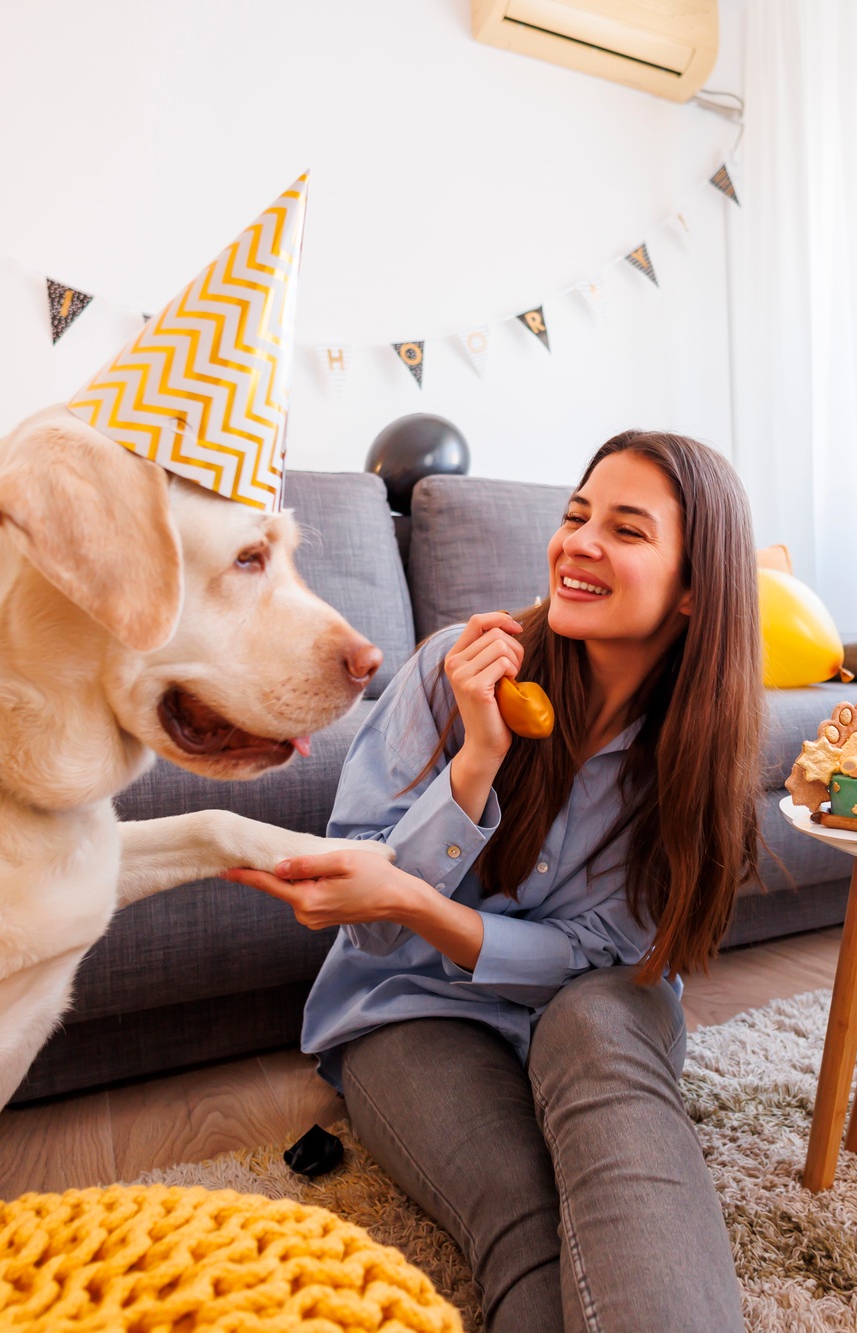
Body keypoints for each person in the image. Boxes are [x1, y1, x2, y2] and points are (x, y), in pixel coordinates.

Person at [225, 430, 763, 1332]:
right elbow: (372, 928)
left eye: (627, 531)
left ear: (695, 589)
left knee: (601, 1043)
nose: (579, 542)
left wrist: (416, 897)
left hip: (598, 998)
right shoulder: (451, 671)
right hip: (414, 1007)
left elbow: (600, 954)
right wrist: (477, 761)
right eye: (576, 515)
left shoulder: (695, 755)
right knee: (523, 1211)